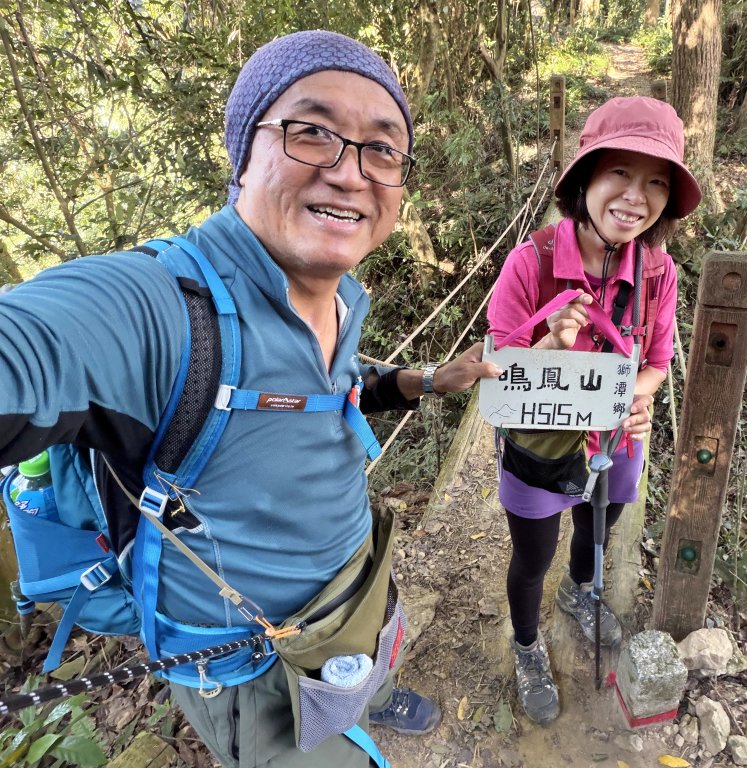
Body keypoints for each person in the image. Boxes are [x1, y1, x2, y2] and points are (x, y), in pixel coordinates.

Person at [0, 30, 500, 768]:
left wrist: (422, 380)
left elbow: (325, 388)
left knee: (367, 657)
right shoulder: (160, 309)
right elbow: (31, 346)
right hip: (254, 673)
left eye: (381, 149)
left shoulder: (336, 297)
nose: (350, 173)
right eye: (312, 133)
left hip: (350, 601)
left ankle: (365, 690)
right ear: (243, 153)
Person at [485, 96, 702, 724]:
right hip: (539, 443)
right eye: (620, 174)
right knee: (532, 557)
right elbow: (497, 369)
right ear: (585, 177)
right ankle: (527, 646)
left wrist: (643, 396)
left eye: (657, 181)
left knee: (597, 527)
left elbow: (657, 361)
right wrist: (549, 343)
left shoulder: (658, 273)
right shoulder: (531, 263)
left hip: (615, 438)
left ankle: (582, 594)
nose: (637, 197)